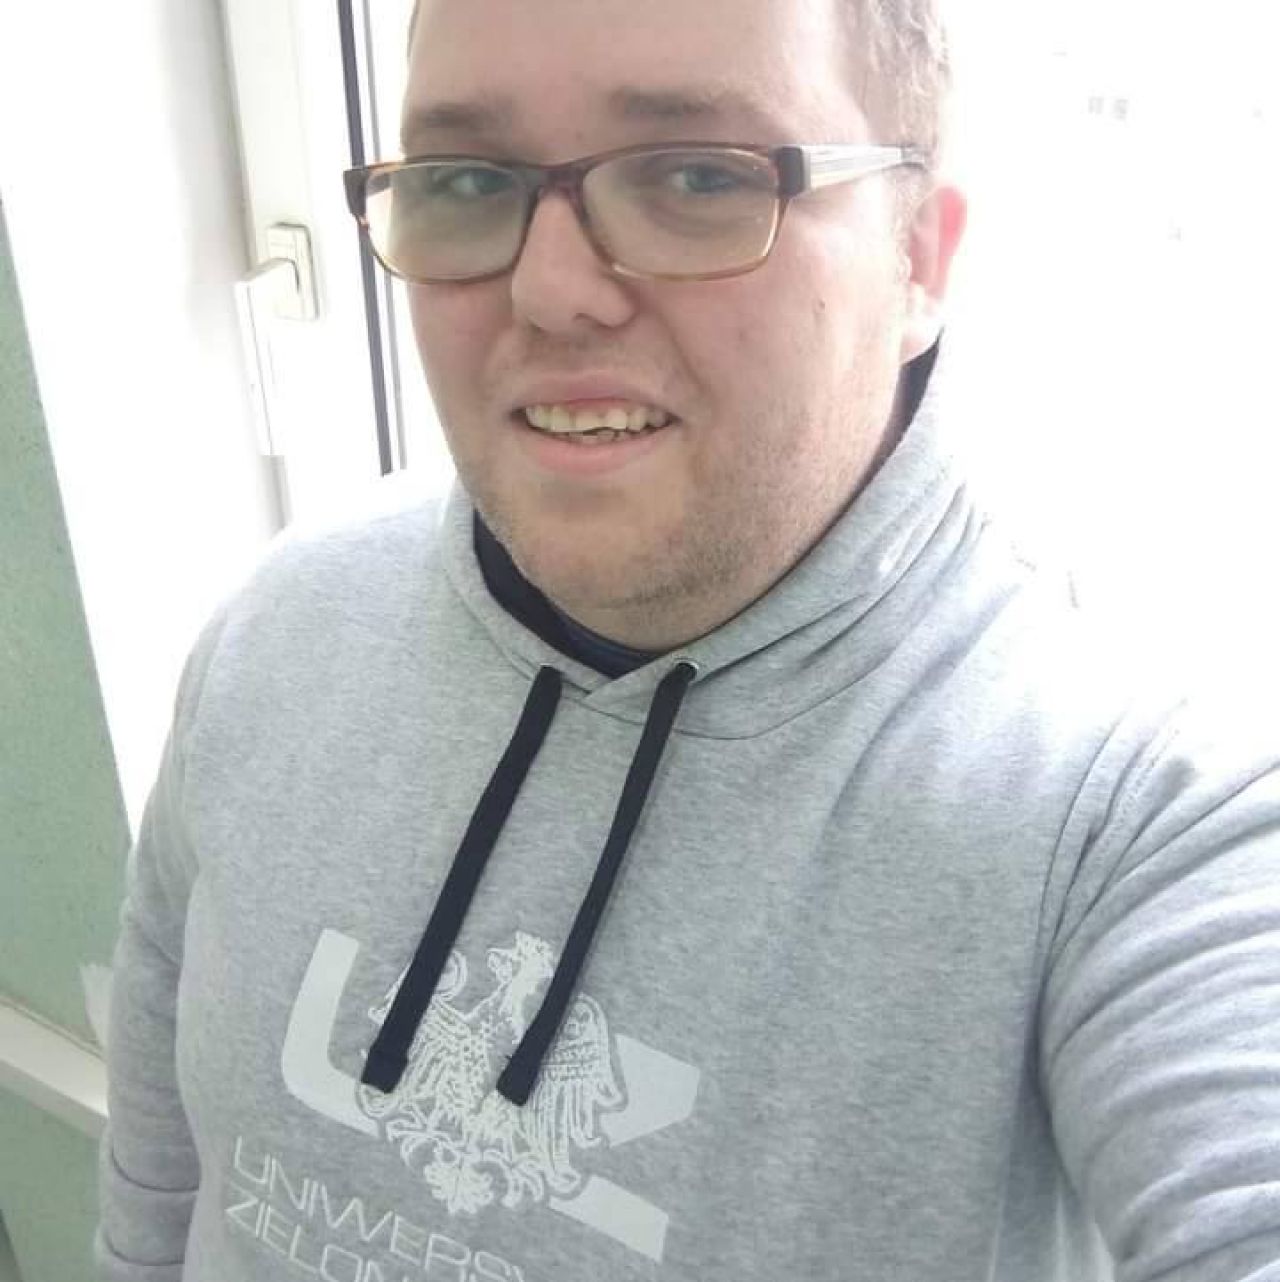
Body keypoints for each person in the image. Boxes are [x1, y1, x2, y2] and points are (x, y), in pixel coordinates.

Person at [96, 0, 1280, 1278]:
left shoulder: (1134, 819)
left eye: (699, 177)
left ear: (917, 260)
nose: (550, 291)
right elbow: (159, 1190)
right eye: (467, 181)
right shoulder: (278, 631)